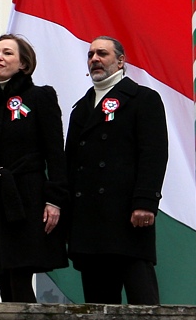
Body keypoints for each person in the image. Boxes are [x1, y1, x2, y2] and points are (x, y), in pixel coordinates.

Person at [0, 34, 68, 302]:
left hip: (26, 197)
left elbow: (55, 154)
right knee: (1, 276)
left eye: (8, 53)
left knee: (20, 273)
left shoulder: (40, 96)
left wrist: (54, 200)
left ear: (24, 63)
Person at [65, 35, 169, 304]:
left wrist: (145, 202)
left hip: (127, 216)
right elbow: (70, 163)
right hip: (89, 219)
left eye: (102, 54)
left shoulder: (142, 98)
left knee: (142, 299)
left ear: (121, 61)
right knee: (99, 306)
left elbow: (154, 154)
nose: (95, 60)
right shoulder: (82, 107)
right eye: (90, 55)